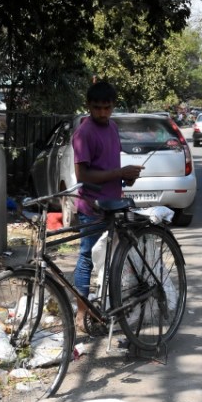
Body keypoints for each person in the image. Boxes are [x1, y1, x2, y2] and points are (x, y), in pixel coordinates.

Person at [71, 81, 144, 332]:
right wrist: (119, 173)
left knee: (115, 259)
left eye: (107, 108)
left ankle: (111, 308)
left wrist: (126, 177)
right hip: (92, 207)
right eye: (97, 108)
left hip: (114, 205)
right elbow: (82, 175)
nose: (102, 113)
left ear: (113, 106)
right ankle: (81, 314)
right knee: (86, 258)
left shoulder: (112, 127)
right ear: (88, 106)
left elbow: (110, 167)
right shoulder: (84, 133)